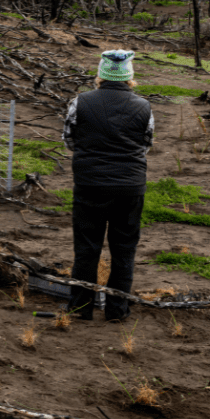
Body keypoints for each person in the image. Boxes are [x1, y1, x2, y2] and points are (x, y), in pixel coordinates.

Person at [62, 50, 154, 322]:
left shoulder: (80, 102)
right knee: (124, 249)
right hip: (130, 187)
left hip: (90, 184)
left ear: (101, 74)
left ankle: (80, 308)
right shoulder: (144, 106)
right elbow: (145, 144)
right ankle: (117, 310)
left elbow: (69, 140)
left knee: (86, 248)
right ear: (129, 76)